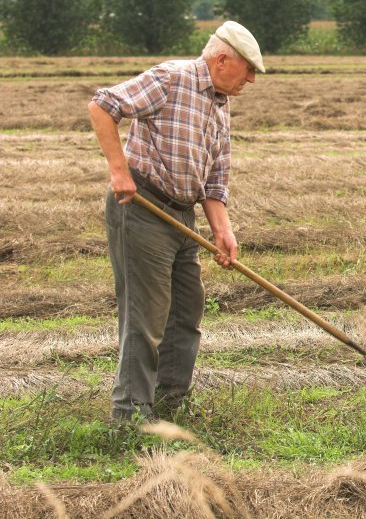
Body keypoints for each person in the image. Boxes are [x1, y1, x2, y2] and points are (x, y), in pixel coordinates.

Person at [87, 21, 265, 421]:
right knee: (145, 316)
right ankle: (130, 417)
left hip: (183, 217)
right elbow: (102, 104)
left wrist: (223, 230)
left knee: (186, 312)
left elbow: (216, 178)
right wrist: (119, 170)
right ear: (222, 60)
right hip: (143, 209)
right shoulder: (172, 79)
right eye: (248, 69)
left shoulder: (220, 104)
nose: (251, 79)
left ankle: (171, 404)